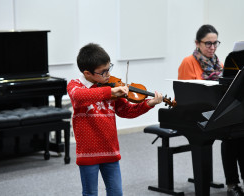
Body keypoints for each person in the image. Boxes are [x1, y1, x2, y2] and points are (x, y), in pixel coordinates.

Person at [67, 43, 163, 196]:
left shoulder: (111, 87)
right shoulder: (76, 86)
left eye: (108, 69)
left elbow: (126, 111)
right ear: (87, 73)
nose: (107, 75)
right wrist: (109, 91)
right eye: (103, 72)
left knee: (116, 192)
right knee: (90, 193)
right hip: (88, 153)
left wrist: (149, 104)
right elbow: (78, 98)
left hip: (110, 150)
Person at [178, 24, 244, 196]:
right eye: (208, 43)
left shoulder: (219, 63)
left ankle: (235, 184)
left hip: (217, 110)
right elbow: (186, 95)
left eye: (216, 43)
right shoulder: (188, 62)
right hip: (195, 113)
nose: (212, 47)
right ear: (197, 43)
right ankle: (231, 184)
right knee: (230, 138)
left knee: (237, 136)